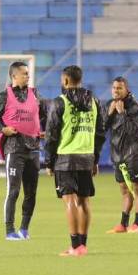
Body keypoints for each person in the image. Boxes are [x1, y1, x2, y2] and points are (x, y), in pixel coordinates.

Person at [44, 65, 106, 257]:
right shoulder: (94, 101)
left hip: (65, 158)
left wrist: (49, 161)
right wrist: (95, 158)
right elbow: (100, 132)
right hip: (87, 156)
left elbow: (51, 134)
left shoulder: (59, 102)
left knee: (69, 201)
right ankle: (83, 245)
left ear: (65, 80)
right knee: (84, 201)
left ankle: (74, 245)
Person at [0, 61, 45, 240]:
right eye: (24, 73)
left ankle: (24, 229)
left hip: (33, 149)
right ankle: (10, 231)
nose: (28, 76)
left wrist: (42, 129)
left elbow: (44, 115)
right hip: (14, 149)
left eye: (28, 73)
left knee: (31, 192)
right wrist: (3, 129)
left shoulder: (35, 94)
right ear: (14, 76)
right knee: (14, 191)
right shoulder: (4, 96)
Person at [104, 76, 138, 234]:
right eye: (114, 88)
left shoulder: (135, 106)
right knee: (124, 190)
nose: (116, 91)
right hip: (118, 155)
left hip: (134, 154)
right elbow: (102, 128)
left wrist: (122, 113)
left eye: (119, 88)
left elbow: (135, 131)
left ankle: (137, 224)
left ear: (126, 89)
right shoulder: (110, 105)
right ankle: (123, 224)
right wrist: (109, 115)